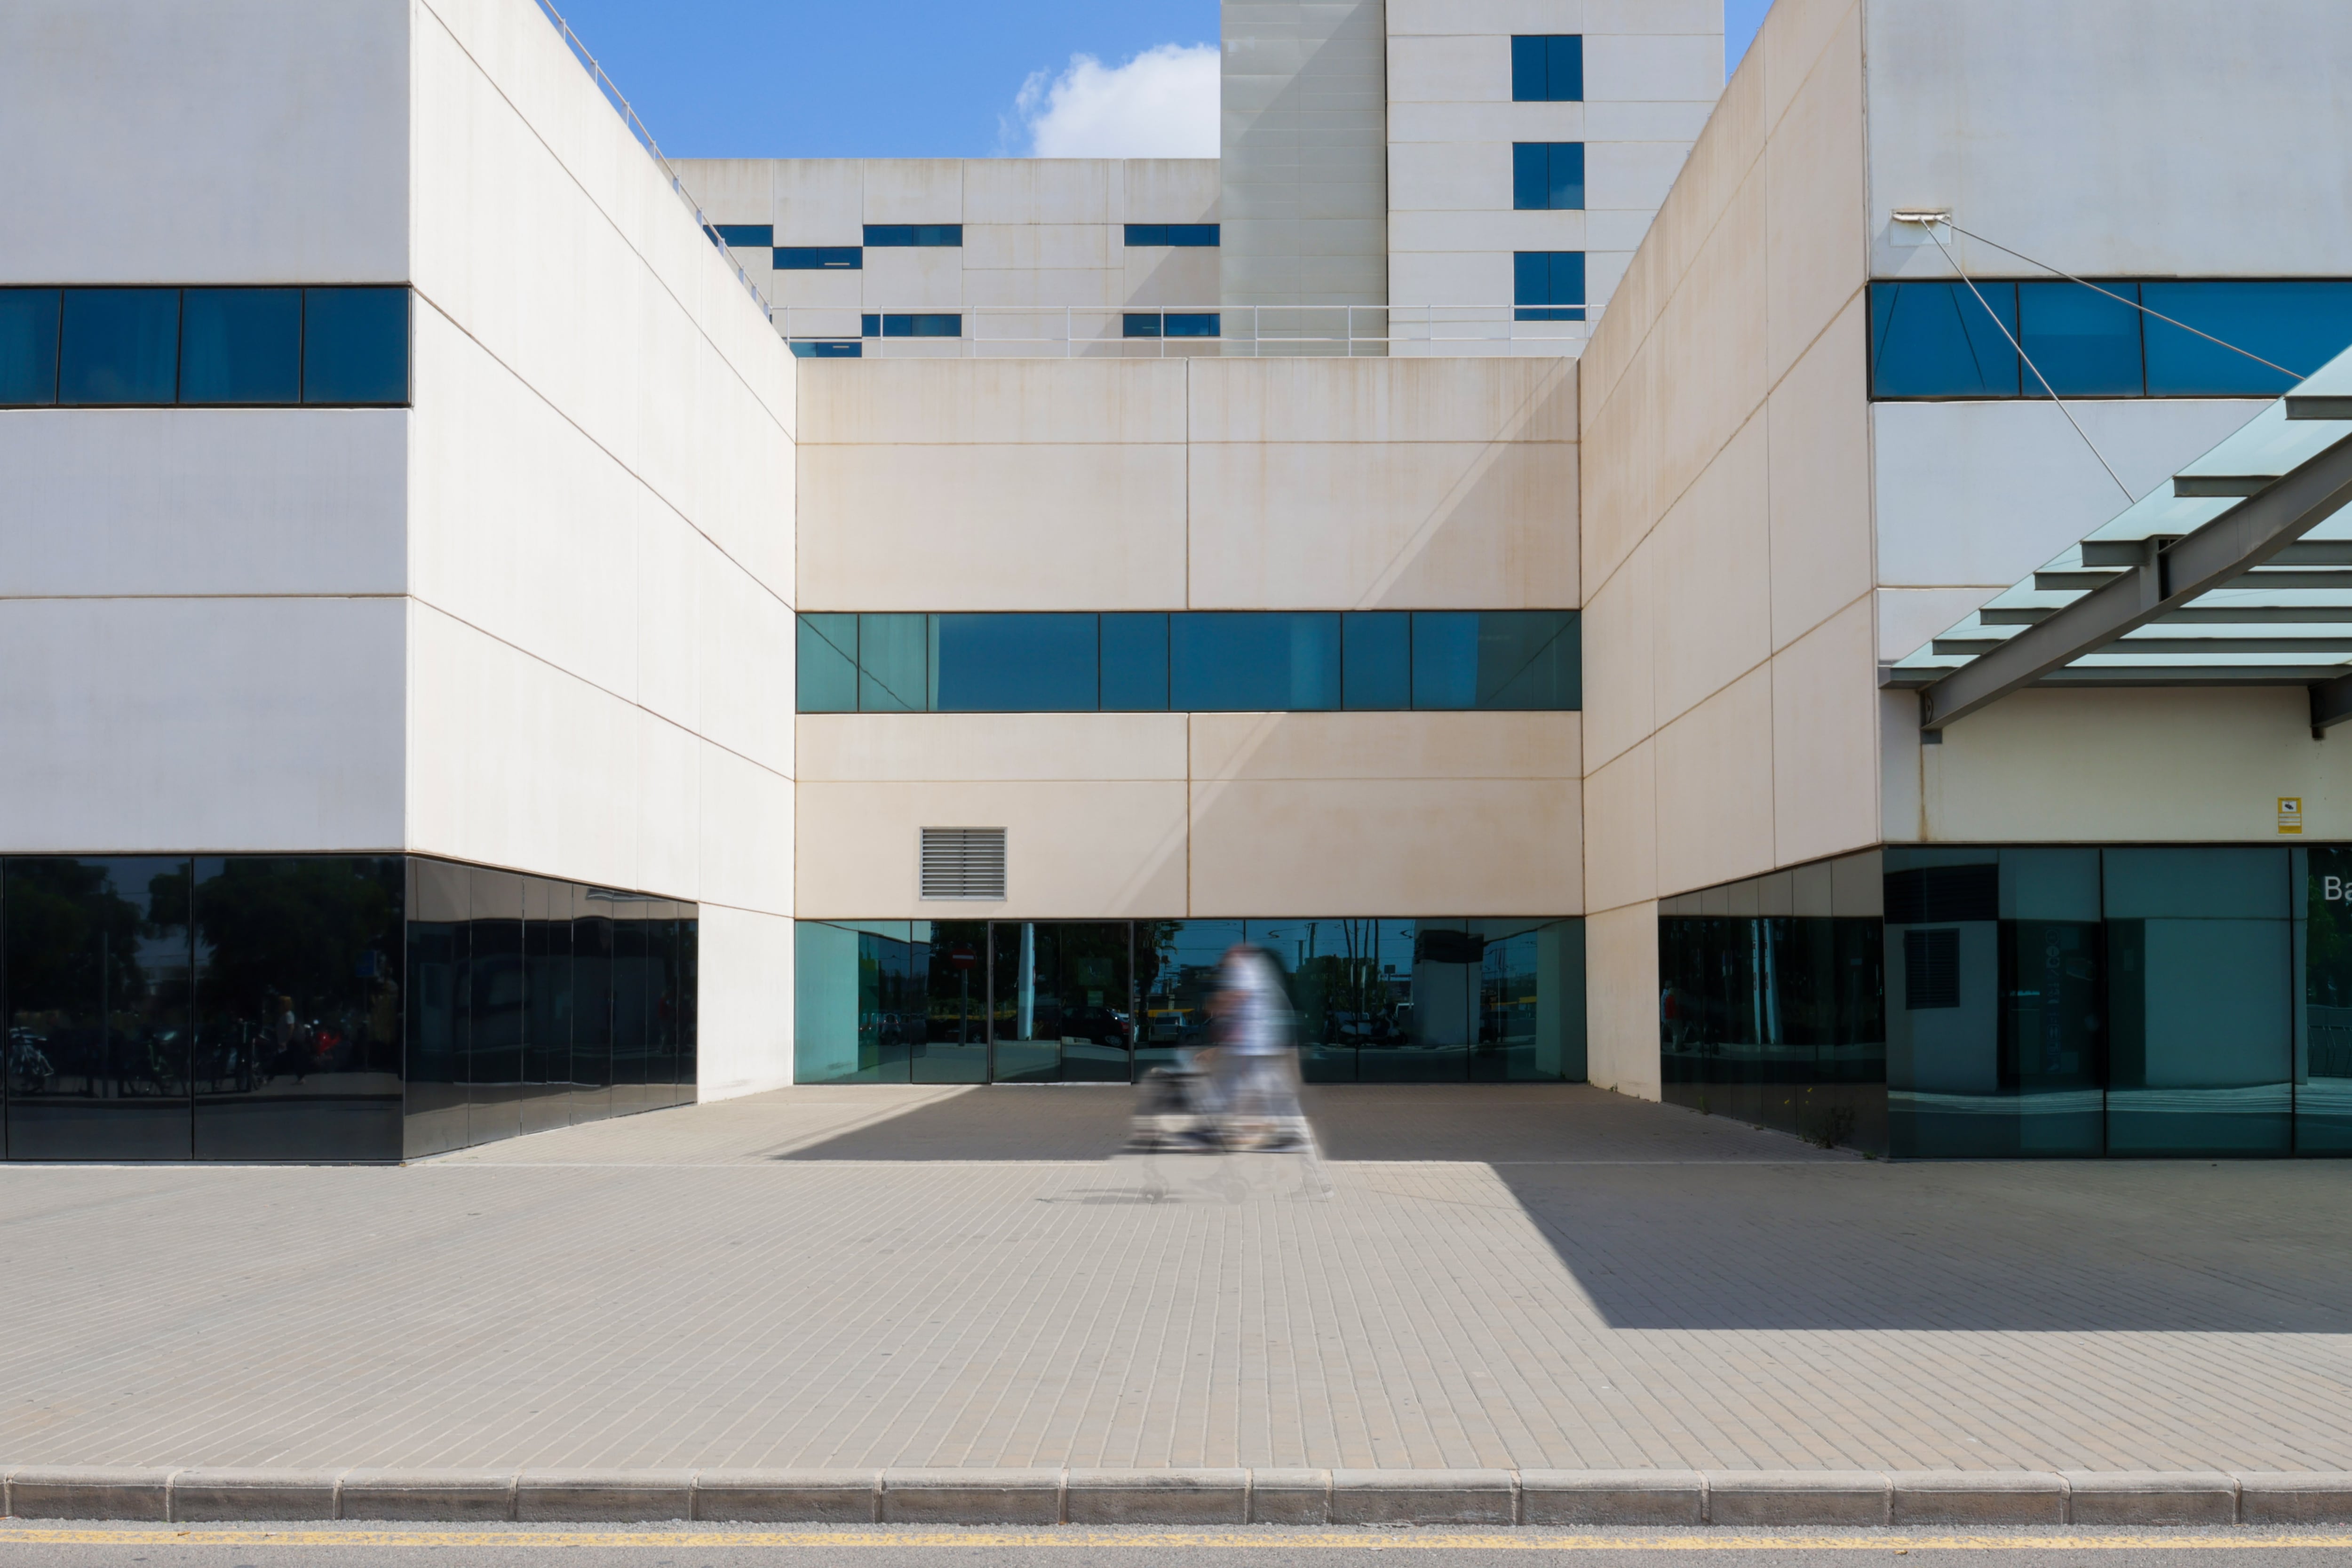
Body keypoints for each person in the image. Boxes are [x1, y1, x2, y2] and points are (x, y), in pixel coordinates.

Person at [1211, 944, 1304, 1150]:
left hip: (1258, 1040)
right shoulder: (1256, 966)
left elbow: (1239, 995)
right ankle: (1288, 1132)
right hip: (1258, 1040)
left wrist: (1218, 1004)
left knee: (1258, 1083)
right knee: (1259, 1084)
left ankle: (1289, 1133)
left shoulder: (1244, 966)